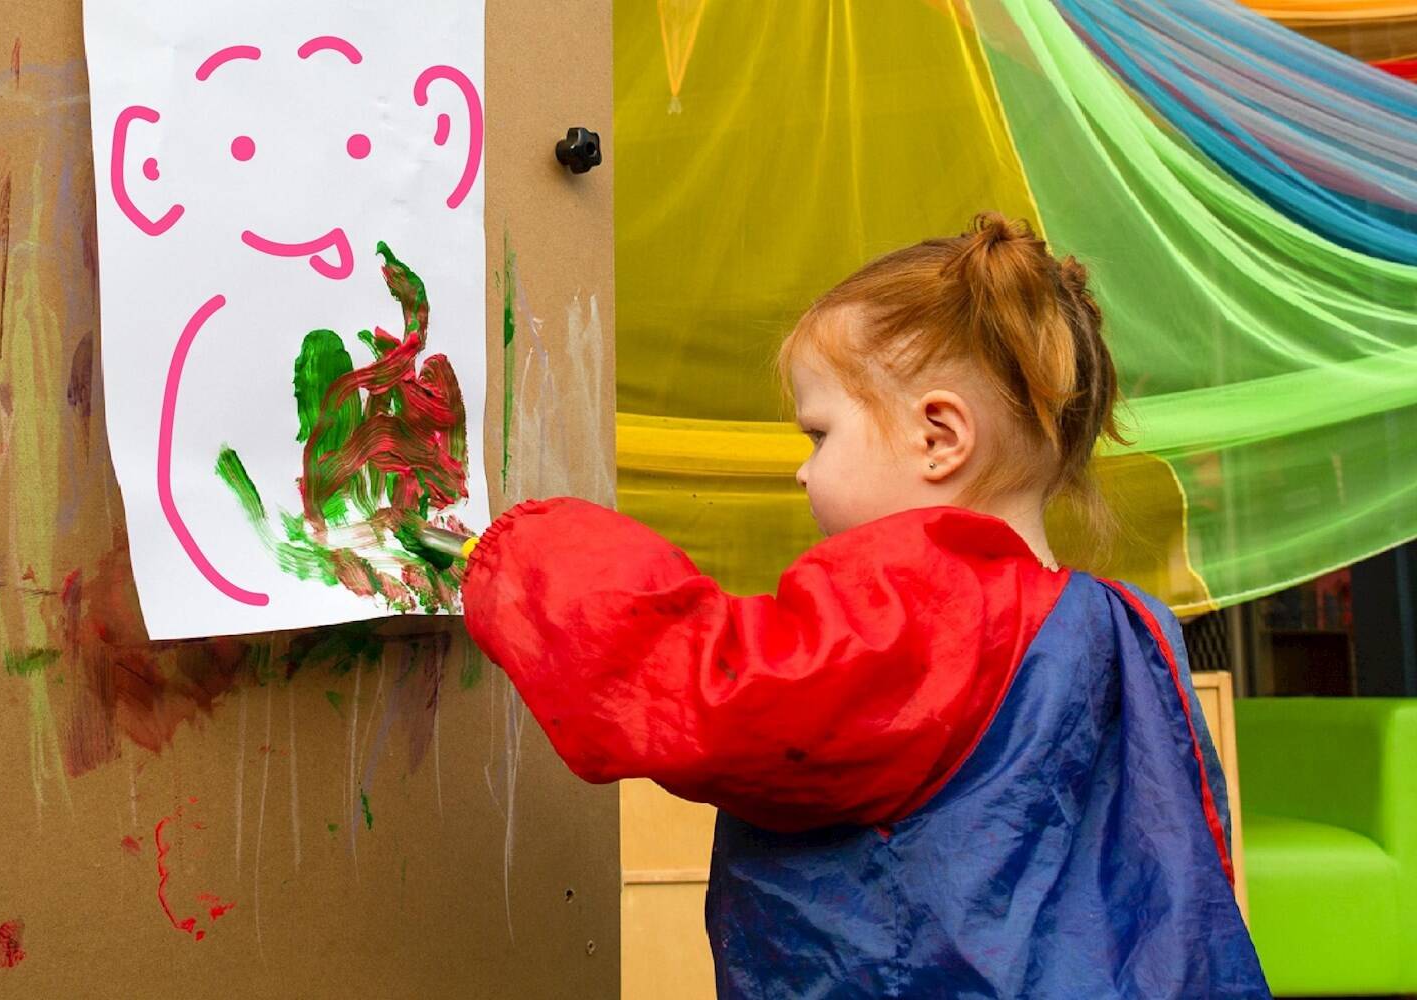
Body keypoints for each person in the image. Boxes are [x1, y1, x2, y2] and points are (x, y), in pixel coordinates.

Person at [462, 214, 1269, 998]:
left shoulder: (930, 607)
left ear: (939, 438)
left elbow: (717, 690)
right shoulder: (1125, 626)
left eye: (819, 434)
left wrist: (518, 556)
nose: (803, 472)